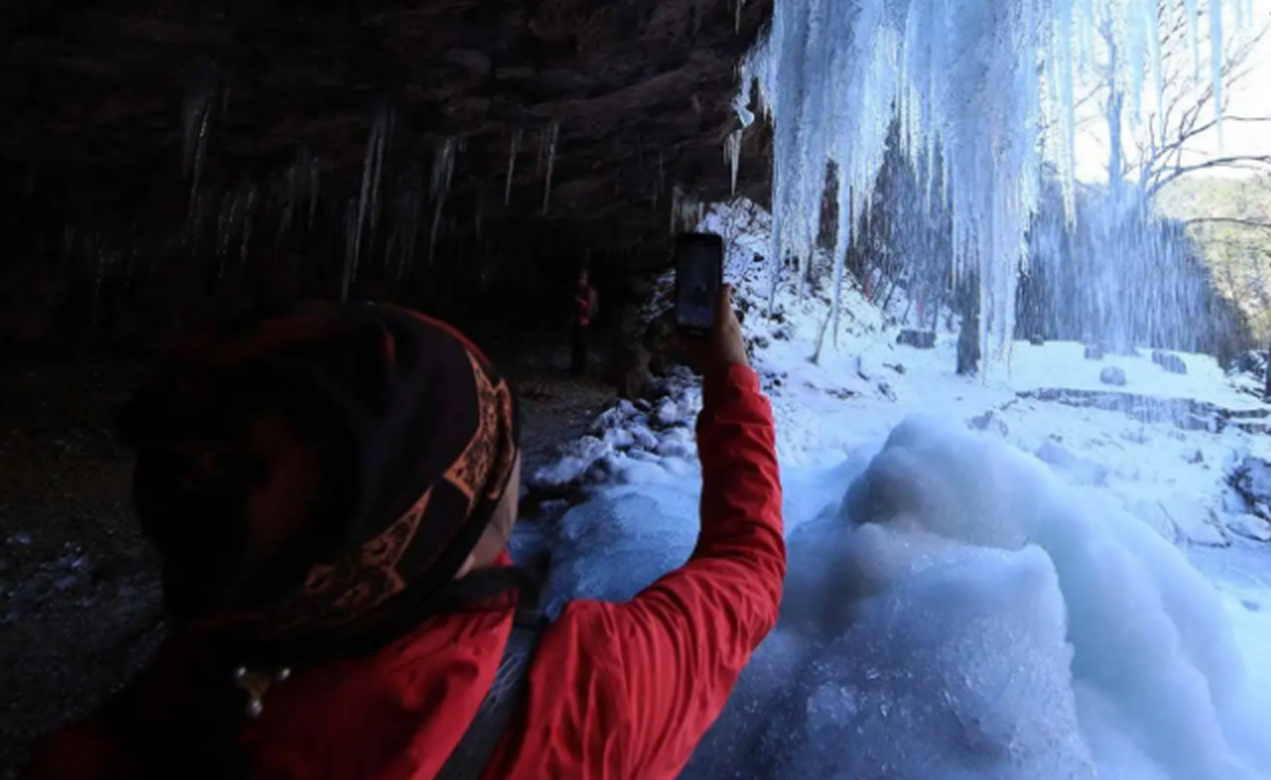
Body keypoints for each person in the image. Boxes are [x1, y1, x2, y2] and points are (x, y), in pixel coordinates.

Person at [25, 284, 784, 780]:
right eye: (496, 455)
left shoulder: (166, 709)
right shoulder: (585, 703)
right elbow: (748, 568)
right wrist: (729, 378)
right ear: (448, 529)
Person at [570, 269, 598, 377]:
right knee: (575, 345)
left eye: (583, 278)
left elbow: (589, 306)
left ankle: (580, 369)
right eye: (579, 278)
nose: (580, 281)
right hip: (576, 320)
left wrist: (580, 302)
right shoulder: (577, 290)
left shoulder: (589, 291)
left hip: (584, 322)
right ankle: (574, 366)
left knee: (581, 346)